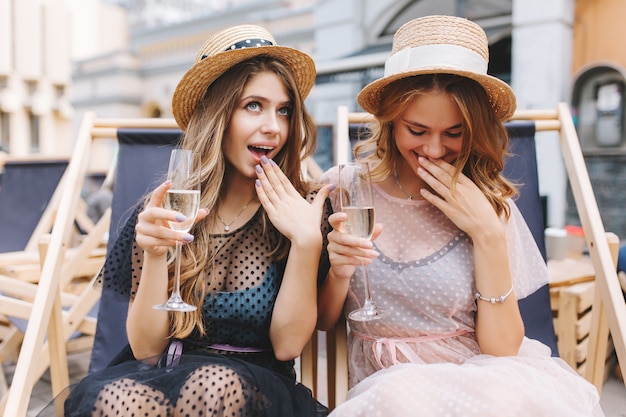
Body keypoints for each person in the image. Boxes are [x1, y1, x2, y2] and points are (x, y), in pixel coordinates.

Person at [317, 15, 603, 416]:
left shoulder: (487, 203)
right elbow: (325, 322)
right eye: (417, 130)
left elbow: (502, 350)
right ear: (390, 121)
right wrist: (339, 271)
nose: (434, 150)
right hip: (390, 397)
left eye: (453, 133)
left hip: (477, 384)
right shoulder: (347, 190)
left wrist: (487, 231)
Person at [44, 24, 333, 417]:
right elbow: (146, 349)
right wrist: (155, 255)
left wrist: (306, 242)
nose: (274, 127)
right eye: (254, 106)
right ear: (217, 115)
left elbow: (286, 346)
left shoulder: (303, 211)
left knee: (213, 384)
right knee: (117, 398)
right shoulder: (166, 211)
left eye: (284, 110)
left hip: (255, 393)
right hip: (163, 379)